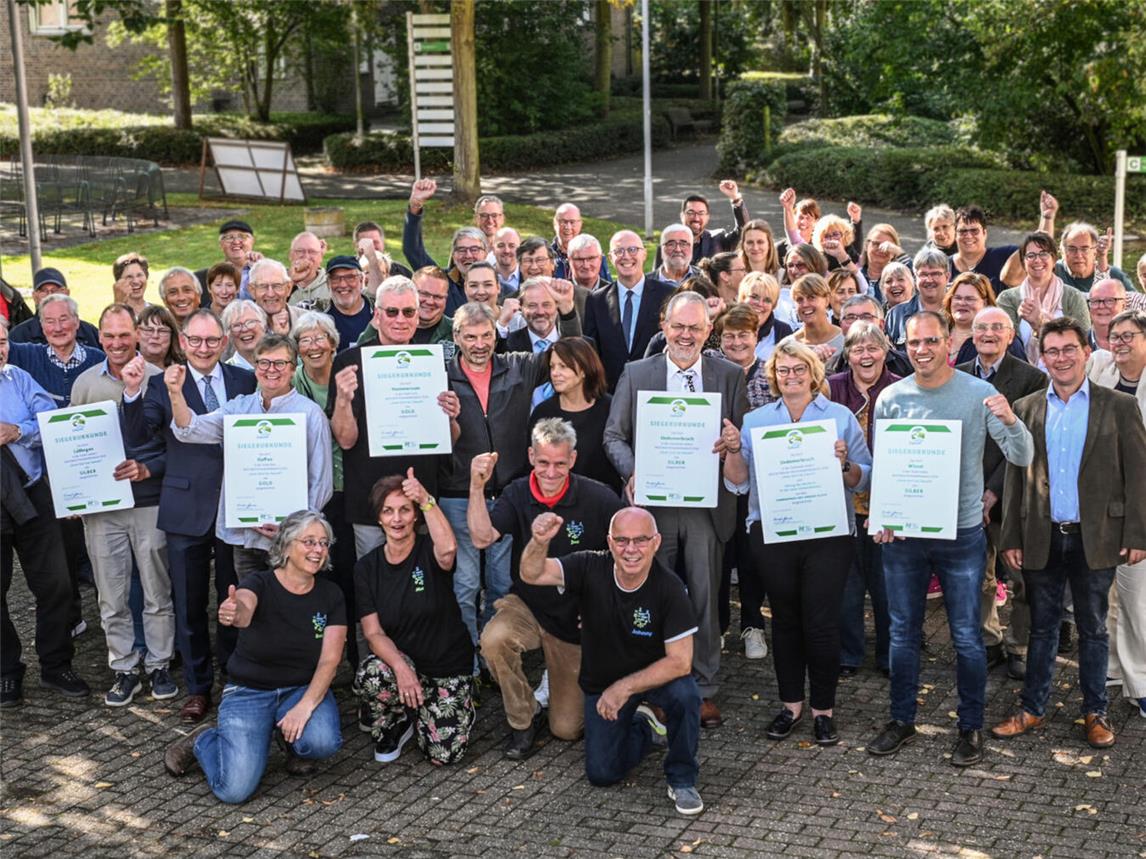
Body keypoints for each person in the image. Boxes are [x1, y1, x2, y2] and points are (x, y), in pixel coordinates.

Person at [867, 311, 1033, 766]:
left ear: (949, 344)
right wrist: (884, 513)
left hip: (960, 533)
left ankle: (970, 726)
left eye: (931, 341)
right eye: (914, 343)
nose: (922, 350)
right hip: (904, 536)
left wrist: (1010, 419)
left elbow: (1022, 455)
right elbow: (887, 466)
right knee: (903, 632)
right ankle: (901, 719)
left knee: (966, 636)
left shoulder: (978, 394)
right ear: (905, 347)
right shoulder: (891, 398)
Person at [994, 317, 1146, 749]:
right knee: (1042, 627)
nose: (1061, 358)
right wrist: (1011, 536)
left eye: (1069, 349)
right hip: (1042, 534)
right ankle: (1033, 708)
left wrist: (1138, 534)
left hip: (1095, 536)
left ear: (1086, 352)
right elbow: (1015, 477)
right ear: (1042, 357)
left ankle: (1095, 712)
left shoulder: (1118, 405)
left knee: (1093, 628)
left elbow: (1138, 473)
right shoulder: (1026, 408)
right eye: (1052, 351)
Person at [604, 291, 749, 728]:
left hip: (706, 504)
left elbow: (740, 439)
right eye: (678, 326)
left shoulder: (729, 375)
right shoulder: (637, 373)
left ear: (709, 331)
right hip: (654, 506)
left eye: (695, 328)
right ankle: (653, 688)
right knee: (652, 596)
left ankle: (703, 687)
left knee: (704, 597)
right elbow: (614, 436)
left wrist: (733, 443)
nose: (686, 335)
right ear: (664, 327)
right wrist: (633, 472)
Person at [725, 340, 871, 744]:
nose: (791, 376)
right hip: (774, 534)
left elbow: (865, 476)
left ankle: (824, 710)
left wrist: (844, 464)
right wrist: (734, 450)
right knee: (785, 620)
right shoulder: (755, 421)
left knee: (821, 622)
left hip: (828, 535)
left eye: (799, 369)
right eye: (783, 370)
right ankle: (791, 706)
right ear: (774, 377)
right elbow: (737, 482)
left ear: (813, 373)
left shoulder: (840, 417)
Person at [519, 506, 705, 817]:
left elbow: (680, 662)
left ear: (656, 542)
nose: (631, 549)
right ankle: (645, 727)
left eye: (640, 540)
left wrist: (625, 688)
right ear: (609, 542)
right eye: (621, 540)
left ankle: (682, 778)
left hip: (655, 678)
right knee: (602, 773)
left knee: (686, 694)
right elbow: (532, 573)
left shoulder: (670, 588)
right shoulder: (588, 565)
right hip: (603, 681)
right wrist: (539, 541)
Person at [121, 309, 257, 722]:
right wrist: (131, 392)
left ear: (224, 342)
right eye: (195, 340)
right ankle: (198, 688)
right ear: (182, 343)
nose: (203, 348)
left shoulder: (245, 380)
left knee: (234, 597)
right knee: (189, 603)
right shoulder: (162, 384)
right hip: (185, 507)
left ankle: (235, 678)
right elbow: (139, 435)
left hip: (237, 506)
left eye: (212, 340)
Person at [162, 511, 346, 803]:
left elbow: (330, 661)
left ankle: (291, 742)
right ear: (286, 546)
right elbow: (245, 608)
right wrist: (234, 612)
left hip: (300, 689)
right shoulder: (258, 583)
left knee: (323, 741)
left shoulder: (331, 594)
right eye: (309, 541)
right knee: (234, 790)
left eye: (323, 543)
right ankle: (204, 740)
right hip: (250, 691)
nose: (318, 550)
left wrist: (304, 707)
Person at [470, 419, 623, 758]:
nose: (550, 472)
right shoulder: (517, 492)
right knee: (493, 640)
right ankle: (523, 719)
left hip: (574, 620)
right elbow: (482, 538)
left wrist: (603, 606)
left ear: (573, 459)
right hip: (528, 605)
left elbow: (627, 555)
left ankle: (558, 688)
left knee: (567, 730)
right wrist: (476, 487)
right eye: (543, 462)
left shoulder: (599, 497)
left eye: (559, 463)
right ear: (530, 456)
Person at [442, 297, 581, 648]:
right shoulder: (440, 377)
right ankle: (467, 658)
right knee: (465, 583)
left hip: (507, 494)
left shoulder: (519, 366)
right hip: (458, 493)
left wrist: (567, 311)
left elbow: (570, 352)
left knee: (502, 582)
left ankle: (493, 653)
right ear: (456, 337)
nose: (479, 344)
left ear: (496, 334)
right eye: (470, 337)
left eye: (486, 335)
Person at [71, 306, 175, 707]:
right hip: (102, 509)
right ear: (99, 337)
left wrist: (148, 469)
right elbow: (71, 446)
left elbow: (174, 445)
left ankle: (160, 663)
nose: (117, 343)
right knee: (111, 593)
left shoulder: (160, 379)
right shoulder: (84, 384)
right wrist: (73, 493)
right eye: (109, 335)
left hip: (149, 503)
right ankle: (125, 667)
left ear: (137, 336)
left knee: (156, 589)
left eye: (124, 335)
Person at [168, 333, 333, 578]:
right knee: (249, 596)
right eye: (264, 363)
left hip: (291, 540)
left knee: (288, 597)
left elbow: (321, 482)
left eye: (280, 363)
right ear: (255, 367)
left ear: (293, 368)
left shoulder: (310, 414)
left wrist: (293, 527)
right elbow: (191, 430)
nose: (271, 370)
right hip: (246, 535)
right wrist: (175, 393)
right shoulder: (238, 409)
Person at [352, 471, 476, 765]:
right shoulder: (366, 568)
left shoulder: (430, 550)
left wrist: (425, 499)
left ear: (416, 515)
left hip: (445, 664)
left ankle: (449, 705)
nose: (397, 519)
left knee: (443, 755)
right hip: (403, 665)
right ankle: (398, 719)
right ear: (379, 518)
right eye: (388, 511)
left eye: (404, 510)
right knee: (372, 674)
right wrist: (400, 669)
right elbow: (373, 632)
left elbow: (449, 549)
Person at [329, 276, 457, 559]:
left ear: (417, 316)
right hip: (369, 499)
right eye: (392, 312)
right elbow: (346, 441)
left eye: (408, 312)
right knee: (373, 577)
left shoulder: (430, 361)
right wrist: (343, 400)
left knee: (421, 577)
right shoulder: (349, 362)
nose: (400, 319)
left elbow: (450, 439)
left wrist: (450, 416)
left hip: (420, 495)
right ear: (377, 316)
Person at [1, 318, 92, 708]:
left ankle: (56, 664)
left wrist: (17, 431)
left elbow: (51, 423)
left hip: (32, 492)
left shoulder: (19, 379)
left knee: (56, 583)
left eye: (1, 341)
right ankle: (6, 671)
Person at [954, 307, 1047, 680]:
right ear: (972, 335)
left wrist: (993, 490)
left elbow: (1029, 440)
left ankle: (1019, 645)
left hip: (1013, 494)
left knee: (1023, 577)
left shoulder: (1032, 378)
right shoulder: (957, 376)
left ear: (1011, 336)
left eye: (997, 327)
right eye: (981, 327)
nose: (988, 333)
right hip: (966, 495)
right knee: (978, 576)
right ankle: (988, 640)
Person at [828, 321, 901, 676]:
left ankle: (890, 655)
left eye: (873, 348)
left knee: (887, 586)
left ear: (885, 352)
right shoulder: (831, 388)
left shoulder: (901, 389)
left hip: (889, 501)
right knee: (846, 585)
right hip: (843, 501)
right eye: (857, 349)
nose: (866, 356)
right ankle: (849, 654)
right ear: (847, 354)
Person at [1087, 309, 1146, 717]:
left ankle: (1140, 681)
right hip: (1099, 501)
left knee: (1136, 596)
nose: (1120, 342)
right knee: (1103, 592)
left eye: (1129, 335)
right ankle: (1110, 666)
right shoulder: (1099, 367)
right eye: (1115, 335)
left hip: (1139, 502)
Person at [291, 311, 357, 669]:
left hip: (346, 486)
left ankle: (352, 653)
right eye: (305, 340)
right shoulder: (290, 382)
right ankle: (314, 655)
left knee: (344, 571)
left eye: (320, 338)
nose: (313, 346)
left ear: (333, 343)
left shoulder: (348, 376)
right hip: (305, 491)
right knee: (311, 572)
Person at [706, 304, 770, 657]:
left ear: (756, 336)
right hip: (715, 479)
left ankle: (752, 625)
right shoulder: (708, 371)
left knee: (751, 556)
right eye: (728, 336)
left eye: (743, 335)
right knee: (718, 553)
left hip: (759, 481)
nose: (736, 342)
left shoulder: (770, 374)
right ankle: (717, 625)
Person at [583, 230, 674, 392]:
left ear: (644, 254)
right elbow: (591, 351)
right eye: (619, 251)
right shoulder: (596, 300)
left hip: (655, 389)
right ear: (610, 258)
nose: (626, 256)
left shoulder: (667, 295)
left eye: (632, 250)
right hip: (610, 392)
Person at [530, 337, 621, 493]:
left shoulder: (611, 408)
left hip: (603, 499)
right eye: (552, 367)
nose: (555, 373)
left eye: (563, 366)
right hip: (554, 499)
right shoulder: (543, 412)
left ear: (584, 369)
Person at [996, 231, 1091, 364]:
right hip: (1020, 372)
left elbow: (1083, 343)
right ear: (1023, 263)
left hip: (1066, 367)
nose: (1037, 260)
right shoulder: (1007, 299)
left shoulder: (1073, 296)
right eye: (1031, 255)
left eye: (1044, 254)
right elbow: (1006, 346)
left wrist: (1039, 325)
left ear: (1054, 260)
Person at [404, 179, 490, 313]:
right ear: (453, 255)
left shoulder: (499, 286)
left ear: (486, 253)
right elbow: (412, 250)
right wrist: (415, 206)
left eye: (474, 249)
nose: (468, 255)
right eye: (461, 250)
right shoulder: (442, 281)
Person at [7, 294, 105, 407]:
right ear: (42, 326)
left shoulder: (98, 360)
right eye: (50, 321)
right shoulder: (27, 356)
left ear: (77, 322)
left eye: (63, 319)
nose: (58, 328)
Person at [949, 197, 1057, 294]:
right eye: (963, 231)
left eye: (974, 231)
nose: (968, 236)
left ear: (984, 233)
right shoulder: (945, 265)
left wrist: (1047, 218)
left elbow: (1039, 248)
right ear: (955, 235)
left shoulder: (1005, 256)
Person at [943, 272, 1025, 365]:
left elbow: (1022, 372)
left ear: (985, 303)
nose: (962, 303)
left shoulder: (1004, 339)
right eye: (957, 298)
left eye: (969, 299)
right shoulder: (937, 332)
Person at [824, 295, 913, 377]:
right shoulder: (831, 369)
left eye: (866, 316)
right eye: (851, 317)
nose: (858, 323)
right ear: (841, 326)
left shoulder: (907, 365)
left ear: (881, 325)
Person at [9, 267, 100, 347]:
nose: (50, 295)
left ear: (67, 293)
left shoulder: (89, 333)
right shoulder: (19, 336)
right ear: (34, 296)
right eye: (44, 290)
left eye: (55, 290)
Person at [886, 248, 950, 347]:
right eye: (923, 274)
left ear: (947, 277)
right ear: (915, 278)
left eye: (935, 274)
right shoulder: (896, 315)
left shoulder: (957, 312)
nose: (929, 280)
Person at [675, 181, 749, 264]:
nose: (696, 218)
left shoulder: (718, 239)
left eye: (701, 213)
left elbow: (743, 229)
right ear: (682, 216)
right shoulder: (670, 241)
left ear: (707, 217)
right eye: (691, 212)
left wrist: (735, 198)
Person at [1055, 222, 1135, 293]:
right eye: (1072, 249)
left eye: (1085, 249)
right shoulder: (1055, 271)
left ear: (1095, 251)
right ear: (1062, 251)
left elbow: (1137, 301)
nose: (1078, 255)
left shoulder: (1114, 275)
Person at [193, 220, 260, 297]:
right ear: (221, 244)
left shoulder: (266, 274)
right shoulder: (201, 279)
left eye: (242, 236)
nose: (236, 242)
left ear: (252, 241)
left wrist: (262, 267)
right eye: (229, 237)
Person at [737, 272, 792, 363]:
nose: (760, 304)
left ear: (773, 305)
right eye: (754, 297)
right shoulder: (725, 324)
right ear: (743, 298)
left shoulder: (782, 331)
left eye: (767, 300)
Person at [787, 273, 843, 360]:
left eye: (811, 298)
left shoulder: (845, 340)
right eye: (799, 300)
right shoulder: (789, 346)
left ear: (827, 300)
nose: (805, 304)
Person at [324, 256, 373, 350]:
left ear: (361, 280)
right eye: (335, 278)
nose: (343, 284)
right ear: (328, 283)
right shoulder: (318, 314)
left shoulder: (378, 311)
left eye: (350, 277)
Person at [551, 203, 609, 283]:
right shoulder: (546, 256)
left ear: (580, 224)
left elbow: (606, 286)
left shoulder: (594, 255)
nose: (568, 227)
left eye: (572, 222)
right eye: (563, 222)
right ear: (555, 223)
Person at [857, 223, 910, 304]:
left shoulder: (900, 280)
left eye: (888, 246)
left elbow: (916, 275)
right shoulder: (856, 276)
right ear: (866, 245)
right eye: (876, 244)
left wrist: (900, 253)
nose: (881, 249)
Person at [249, 258, 302, 336]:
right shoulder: (241, 327)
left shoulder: (306, 321)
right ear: (252, 290)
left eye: (277, 286)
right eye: (263, 286)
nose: (270, 294)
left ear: (288, 288)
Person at [285, 231, 329, 311]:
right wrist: (291, 281)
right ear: (290, 255)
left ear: (321, 257)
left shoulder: (331, 284)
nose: (306, 256)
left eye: (312, 252)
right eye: (300, 251)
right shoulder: (278, 281)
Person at [221, 300, 267, 372]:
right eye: (236, 325)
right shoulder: (224, 372)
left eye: (250, 322)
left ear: (264, 326)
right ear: (229, 334)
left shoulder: (279, 363)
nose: (244, 329)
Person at [1085, 278, 1128, 351]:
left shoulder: (1139, 343)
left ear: (1123, 305)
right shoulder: (1078, 343)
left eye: (1109, 300)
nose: (1101, 306)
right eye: (1095, 301)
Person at [137, 305, 185, 369]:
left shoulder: (184, 369)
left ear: (172, 336)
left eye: (162, 331)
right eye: (149, 330)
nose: (155, 336)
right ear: (137, 334)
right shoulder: (126, 368)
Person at [112, 252, 151, 317]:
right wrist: (118, 305)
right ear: (118, 282)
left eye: (139, 275)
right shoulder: (112, 315)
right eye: (129, 277)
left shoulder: (158, 313)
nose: (136, 281)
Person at [493, 227, 522, 293]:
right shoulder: (485, 276)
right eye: (501, 245)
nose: (506, 251)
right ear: (493, 250)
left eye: (512, 246)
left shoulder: (528, 275)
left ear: (520, 250)